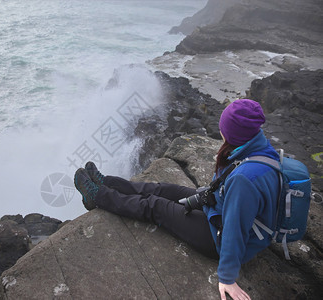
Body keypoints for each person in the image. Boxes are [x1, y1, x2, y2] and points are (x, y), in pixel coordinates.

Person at [74, 99, 280, 300]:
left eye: (223, 128)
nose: (221, 132)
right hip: (220, 207)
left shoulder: (245, 179)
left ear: (234, 134)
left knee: (155, 206)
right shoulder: (256, 147)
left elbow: (235, 229)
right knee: (165, 189)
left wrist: (227, 277)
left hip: (219, 236)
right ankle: (107, 183)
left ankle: (98, 197)